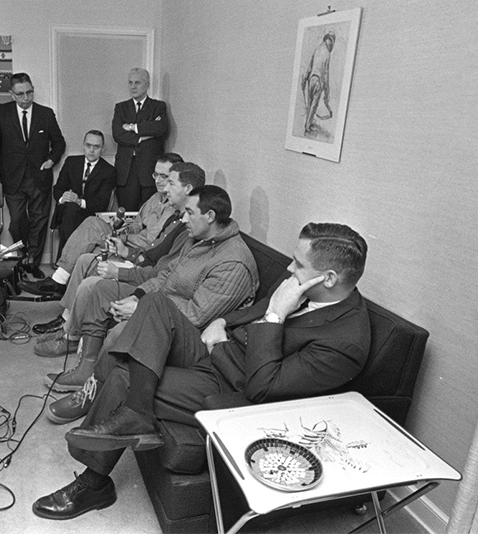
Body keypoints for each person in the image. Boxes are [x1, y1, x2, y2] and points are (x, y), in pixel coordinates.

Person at [32, 223, 371, 521]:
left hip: (232, 387)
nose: (288, 266)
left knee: (125, 374)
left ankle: (94, 484)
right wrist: (222, 321)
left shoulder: (345, 342)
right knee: (155, 304)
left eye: (298, 264)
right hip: (218, 350)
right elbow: (254, 309)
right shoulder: (301, 283)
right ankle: (136, 412)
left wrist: (274, 318)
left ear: (328, 278)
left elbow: (262, 387)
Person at [35, 163, 208, 396]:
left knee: (90, 280)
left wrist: (127, 267)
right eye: (157, 175)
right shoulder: (174, 217)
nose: (163, 186)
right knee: (89, 257)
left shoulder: (189, 230)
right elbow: (157, 261)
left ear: (188, 189)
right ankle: (70, 332)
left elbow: (161, 272)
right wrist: (124, 241)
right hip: (142, 267)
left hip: (148, 279)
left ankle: (74, 341)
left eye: (169, 181)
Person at [20, 153, 183, 299]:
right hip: (126, 241)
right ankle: (62, 284)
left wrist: (123, 237)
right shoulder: (155, 198)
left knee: (92, 243)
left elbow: (149, 240)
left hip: (137, 251)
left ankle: (60, 283)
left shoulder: (173, 208)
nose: (158, 180)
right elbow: (137, 224)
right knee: (92, 225)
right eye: (156, 174)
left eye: (164, 176)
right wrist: (121, 226)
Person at [0, 72, 66, 279]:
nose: (26, 98)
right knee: (17, 221)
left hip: (39, 177)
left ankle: (32, 263)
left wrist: (51, 160)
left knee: (39, 220)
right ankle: (24, 253)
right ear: (12, 94)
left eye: (29, 92)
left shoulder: (46, 114)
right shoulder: (1, 113)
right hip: (13, 177)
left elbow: (59, 142)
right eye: (21, 94)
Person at [50, 130, 115, 260]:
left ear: (103, 149)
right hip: (67, 211)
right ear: (83, 145)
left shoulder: (109, 171)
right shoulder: (71, 162)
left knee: (72, 210)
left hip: (90, 214)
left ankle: (64, 263)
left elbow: (102, 203)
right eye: (88, 145)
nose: (91, 150)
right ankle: (69, 262)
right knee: (70, 209)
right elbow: (57, 189)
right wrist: (65, 197)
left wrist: (79, 202)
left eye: (96, 147)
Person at [112, 68, 169, 211]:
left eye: (137, 83)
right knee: (126, 215)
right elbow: (118, 134)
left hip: (149, 170)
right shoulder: (121, 108)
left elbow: (160, 128)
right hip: (126, 171)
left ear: (147, 85)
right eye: (130, 82)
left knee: (150, 214)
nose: (133, 86)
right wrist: (143, 138)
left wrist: (132, 127)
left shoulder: (158, 106)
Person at [302, 32, 335, 136]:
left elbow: (310, 66)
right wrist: (326, 92)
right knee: (314, 105)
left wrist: (305, 79)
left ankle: (308, 124)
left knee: (310, 103)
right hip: (318, 81)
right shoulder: (327, 54)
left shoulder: (317, 49)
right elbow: (326, 75)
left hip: (311, 79)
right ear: (330, 42)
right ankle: (308, 127)